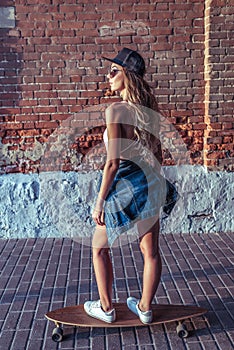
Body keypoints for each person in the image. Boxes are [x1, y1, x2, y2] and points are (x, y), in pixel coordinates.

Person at [84, 47, 167, 324]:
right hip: (151, 183)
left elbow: (112, 163)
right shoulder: (149, 110)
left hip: (125, 186)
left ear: (128, 76)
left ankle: (106, 308)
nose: (108, 76)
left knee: (98, 247)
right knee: (150, 251)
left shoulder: (115, 110)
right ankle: (144, 308)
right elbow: (158, 156)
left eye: (114, 71)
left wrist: (99, 202)